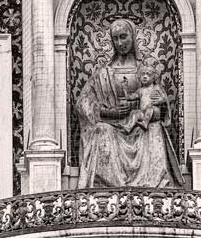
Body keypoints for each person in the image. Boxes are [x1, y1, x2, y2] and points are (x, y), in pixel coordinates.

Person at [75, 19, 186, 191]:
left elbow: (160, 105)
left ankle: (155, 186)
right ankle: (106, 188)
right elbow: (83, 104)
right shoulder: (102, 74)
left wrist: (158, 109)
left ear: (132, 37)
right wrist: (109, 113)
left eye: (123, 37)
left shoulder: (146, 71)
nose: (120, 43)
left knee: (155, 129)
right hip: (112, 125)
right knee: (102, 131)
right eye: (116, 38)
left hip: (142, 126)